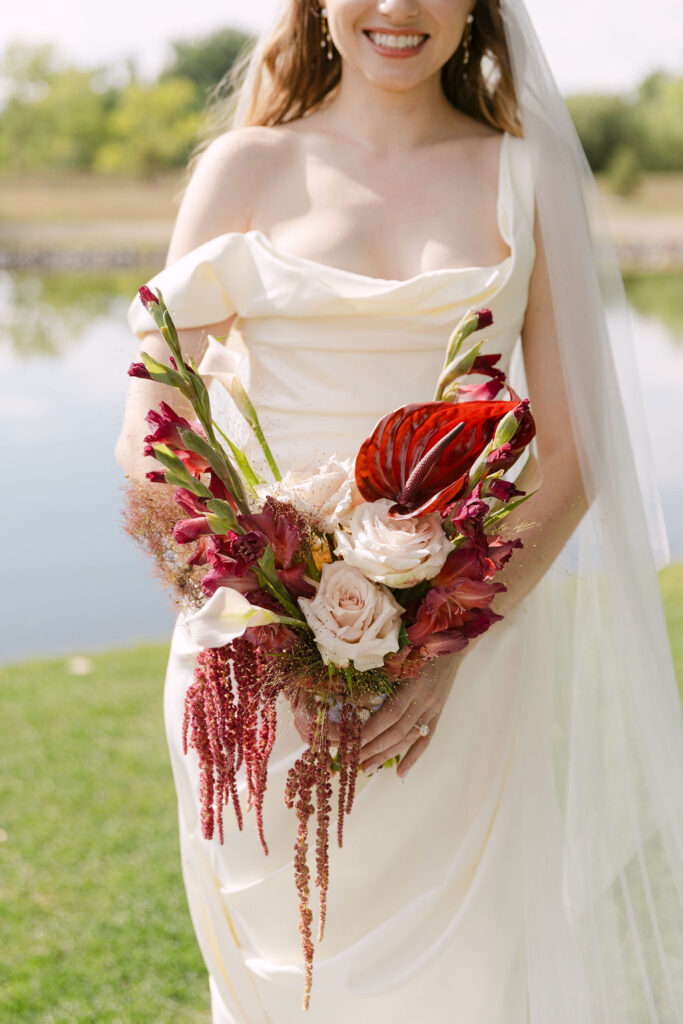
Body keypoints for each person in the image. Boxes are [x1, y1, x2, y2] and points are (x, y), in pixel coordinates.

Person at [116, 1, 683, 1021]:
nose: (398, 6)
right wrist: (267, 623)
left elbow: (574, 448)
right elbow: (150, 437)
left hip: (456, 679)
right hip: (251, 671)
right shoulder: (239, 170)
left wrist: (435, 647)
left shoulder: (524, 173)